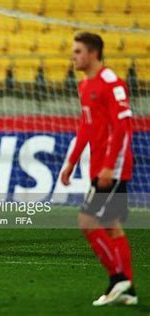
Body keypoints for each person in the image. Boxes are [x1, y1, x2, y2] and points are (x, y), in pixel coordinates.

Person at [60, 32, 137, 306]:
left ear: (93, 53)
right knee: (112, 226)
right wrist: (71, 160)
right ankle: (126, 288)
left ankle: (118, 278)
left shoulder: (111, 83)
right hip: (98, 165)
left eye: (78, 51)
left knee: (87, 221)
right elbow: (86, 126)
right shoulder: (85, 85)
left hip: (112, 167)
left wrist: (109, 168)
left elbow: (124, 129)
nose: (74, 56)